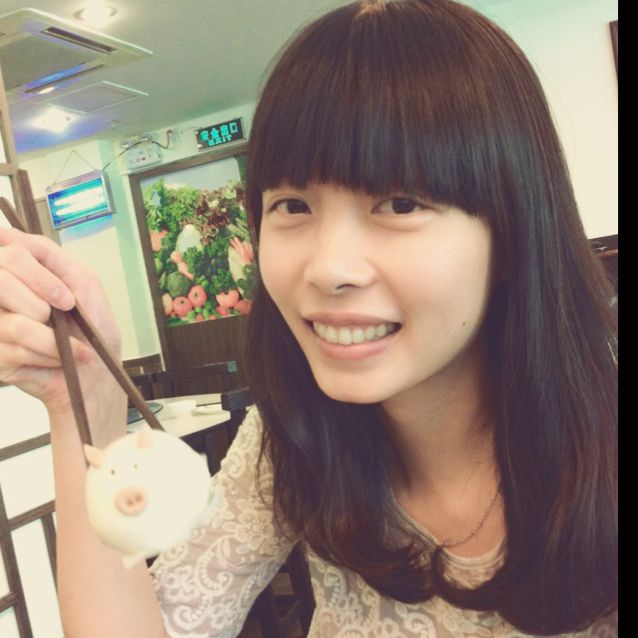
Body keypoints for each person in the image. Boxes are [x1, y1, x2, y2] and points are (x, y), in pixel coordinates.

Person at [0, 0, 617, 636]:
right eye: (293, 205)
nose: (328, 269)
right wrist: (86, 406)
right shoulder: (291, 436)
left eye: (399, 203)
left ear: (512, 230)